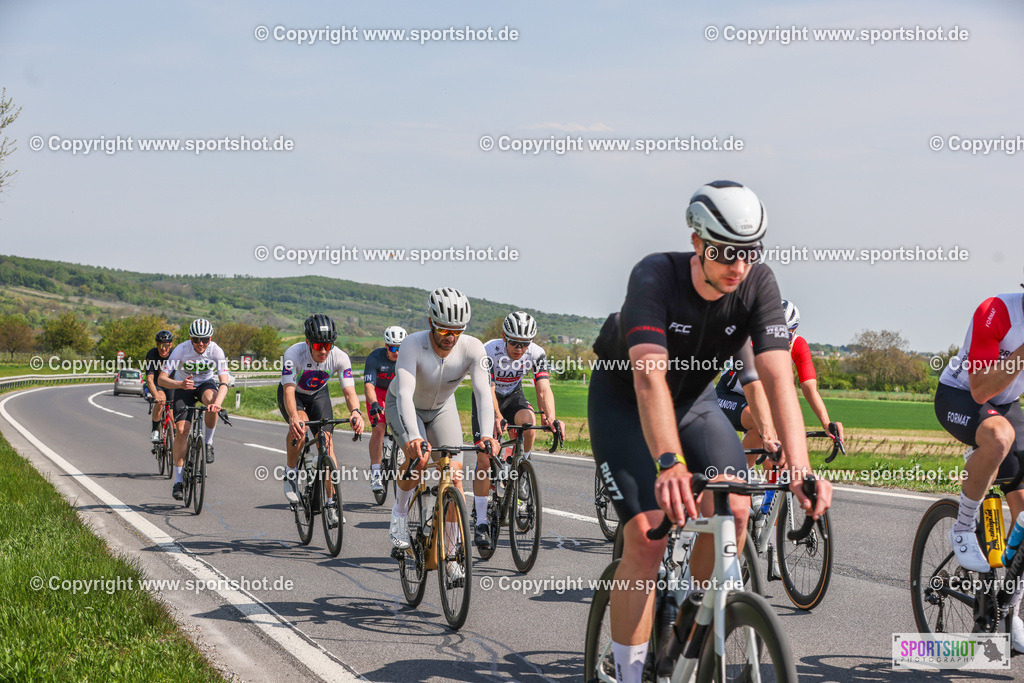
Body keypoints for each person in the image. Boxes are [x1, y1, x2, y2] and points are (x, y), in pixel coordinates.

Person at [588, 180, 832, 683]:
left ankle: (689, 623)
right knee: (647, 536)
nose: (738, 267)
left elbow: (777, 375)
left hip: (692, 403)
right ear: (697, 241)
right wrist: (670, 464)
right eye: (725, 252)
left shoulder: (757, 284)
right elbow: (649, 378)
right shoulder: (655, 275)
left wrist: (800, 467)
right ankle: (630, 674)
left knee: (736, 507)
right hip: (626, 401)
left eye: (749, 253)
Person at [386, 287, 499, 579]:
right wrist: (414, 437)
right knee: (421, 459)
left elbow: (484, 394)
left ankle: (450, 557)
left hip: (440, 407)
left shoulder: (473, 348)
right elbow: (407, 394)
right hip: (403, 404)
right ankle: (398, 517)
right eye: (444, 329)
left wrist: (486, 434)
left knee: (455, 476)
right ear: (430, 323)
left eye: (457, 330)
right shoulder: (412, 346)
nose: (451, 336)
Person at [936, 288, 1024, 650]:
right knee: (999, 437)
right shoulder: (997, 311)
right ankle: (962, 527)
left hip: (1006, 405)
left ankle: (1010, 611)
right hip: (960, 397)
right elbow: (980, 389)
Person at [469, 311, 566, 550]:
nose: (519, 348)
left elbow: (543, 388)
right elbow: (488, 389)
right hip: (486, 397)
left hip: (513, 395)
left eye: (525, 344)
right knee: (484, 457)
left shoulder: (537, 353)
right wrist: (498, 418)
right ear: (504, 337)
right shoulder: (488, 351)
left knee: (529, 424)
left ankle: (520, 467)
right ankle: (481, 520)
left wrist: (552, 419)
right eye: (514, 342)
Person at [279, 314, 365, 528]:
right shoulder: (293, 354)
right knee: (300, 427)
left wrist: (356, 411)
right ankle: (291, 473)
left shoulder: (341, 357)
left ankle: (331, 504)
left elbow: (349, 391)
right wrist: (293, 417)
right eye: (318, 345)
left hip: (318, 395)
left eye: (328, 345)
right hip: (295, 395)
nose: (324, 350)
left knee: (327, 446)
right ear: (308, 342)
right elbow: (289, 391)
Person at [158, 319, 230, 501]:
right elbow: (162, 379)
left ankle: (207, 443)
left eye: (205, 340)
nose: (201, 344)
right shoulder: (181, 350)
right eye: (197, 339)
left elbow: (224, 381)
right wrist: (179, 383)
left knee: (212, 403)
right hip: (184, 386)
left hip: (205, 384)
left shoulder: (216, 350)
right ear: (191, 338)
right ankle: (179, 481)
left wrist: (217, 404)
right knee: (181, 431)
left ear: (210, 338)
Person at [363, 326, 406, 494]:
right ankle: (375, 473)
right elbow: (368, 386)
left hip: (398, 394)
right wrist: (374, 404)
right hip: (379, 394)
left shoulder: (407, 358)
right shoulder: (375, 357)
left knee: (405, 425)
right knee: (379, 430)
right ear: (386, 346)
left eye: (401, 349)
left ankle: (398, 448)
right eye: (394, 348)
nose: (397, 353)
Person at [144, 330, 175, 443]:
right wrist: (156, 395)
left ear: (170, 345)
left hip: (173, 384)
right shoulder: (152, 354)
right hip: (159, 384)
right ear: (157, 345)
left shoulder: (176, 354)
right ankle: (155, 431)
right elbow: (149, 379)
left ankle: (175, 438)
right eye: (160, 346)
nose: (163, 349)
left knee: (173, 416)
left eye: (166, 346)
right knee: (161, 401)